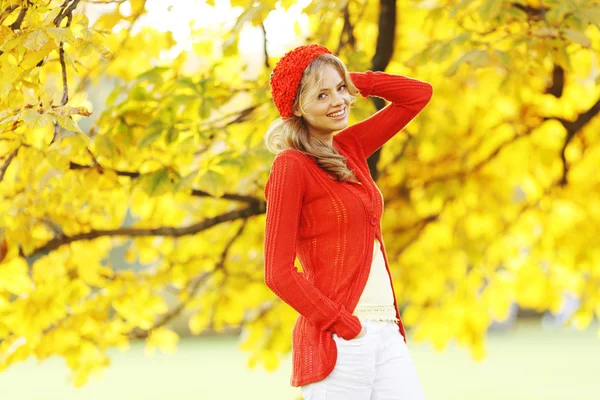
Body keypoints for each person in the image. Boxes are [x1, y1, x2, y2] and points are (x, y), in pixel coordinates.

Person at [263, 44, 433, 400]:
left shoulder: (350, 146)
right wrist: (345, 326)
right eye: (321, 95)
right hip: (340, 340)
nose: (338, 101)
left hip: (387, 330)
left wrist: (343, 78)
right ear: (296, 107)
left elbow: (418, 95)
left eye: (340, 90)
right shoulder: (290, 166)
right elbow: (278, 272)